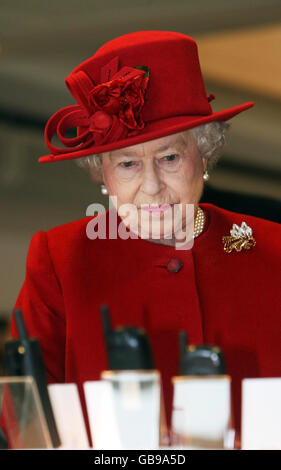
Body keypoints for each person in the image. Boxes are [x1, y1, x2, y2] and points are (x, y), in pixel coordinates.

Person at [9, 31, 281, 447]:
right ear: (103, 173)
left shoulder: (272, 249)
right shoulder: (59, 261)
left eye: (169, 157)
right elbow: (24, 421)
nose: (151, 186)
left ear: (203, 155)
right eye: (129, 164)